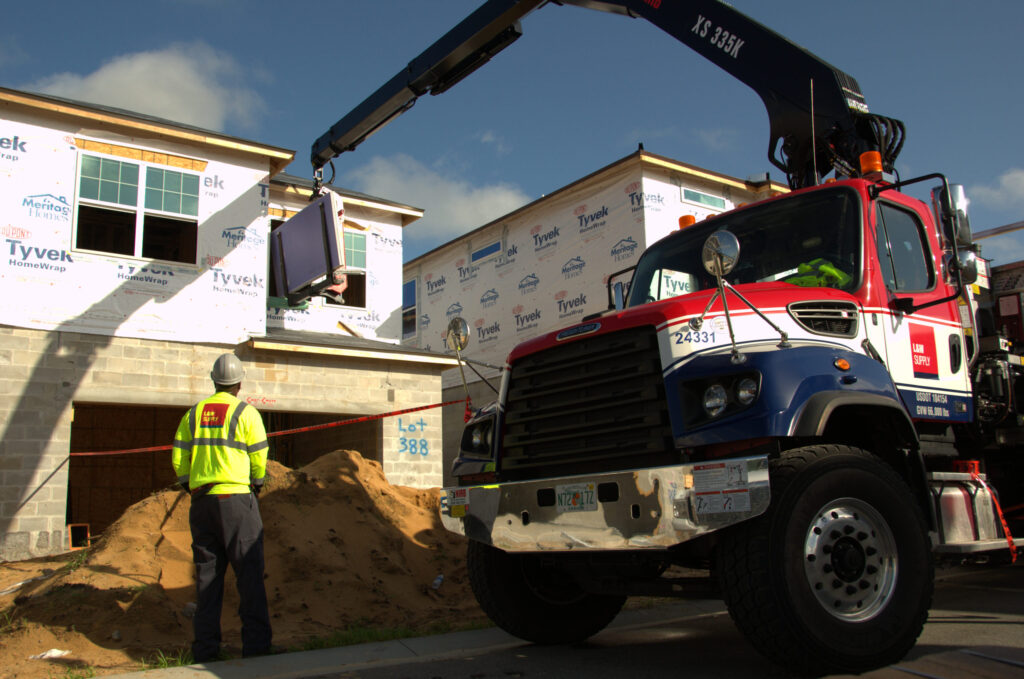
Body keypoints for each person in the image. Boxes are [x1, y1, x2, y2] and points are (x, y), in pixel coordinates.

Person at [171, 353, 272, 662]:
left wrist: (190, 483)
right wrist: (257, 483)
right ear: (239, 383)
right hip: (237, 503)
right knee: (250, 576)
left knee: (207, 580)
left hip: (202, 504)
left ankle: (205, 650)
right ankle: (255, 649)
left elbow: (178, 456)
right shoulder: (246, 413)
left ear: (213, 380)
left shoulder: (193, 414)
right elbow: (259, 456)